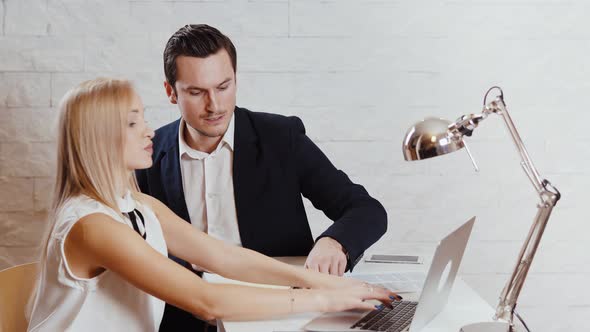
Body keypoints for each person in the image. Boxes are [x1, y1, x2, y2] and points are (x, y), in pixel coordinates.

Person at [26, 78, 398, 332]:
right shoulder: (92, 224)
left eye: (144, 118)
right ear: (98, 137)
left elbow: (224, 258)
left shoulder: (136, 204)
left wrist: (330, 285)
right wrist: (326, 301)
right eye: (132, 123)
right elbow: (205, 300)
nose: (149, 131)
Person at [135, 24, 389, 331]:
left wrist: (335, 243)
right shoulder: (145, 155)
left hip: (280, 316)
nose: (214, 105)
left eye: (223, 86)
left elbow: (366, 209)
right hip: (183, 320)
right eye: (197, 92)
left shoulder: (281, 137)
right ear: (170, 92)